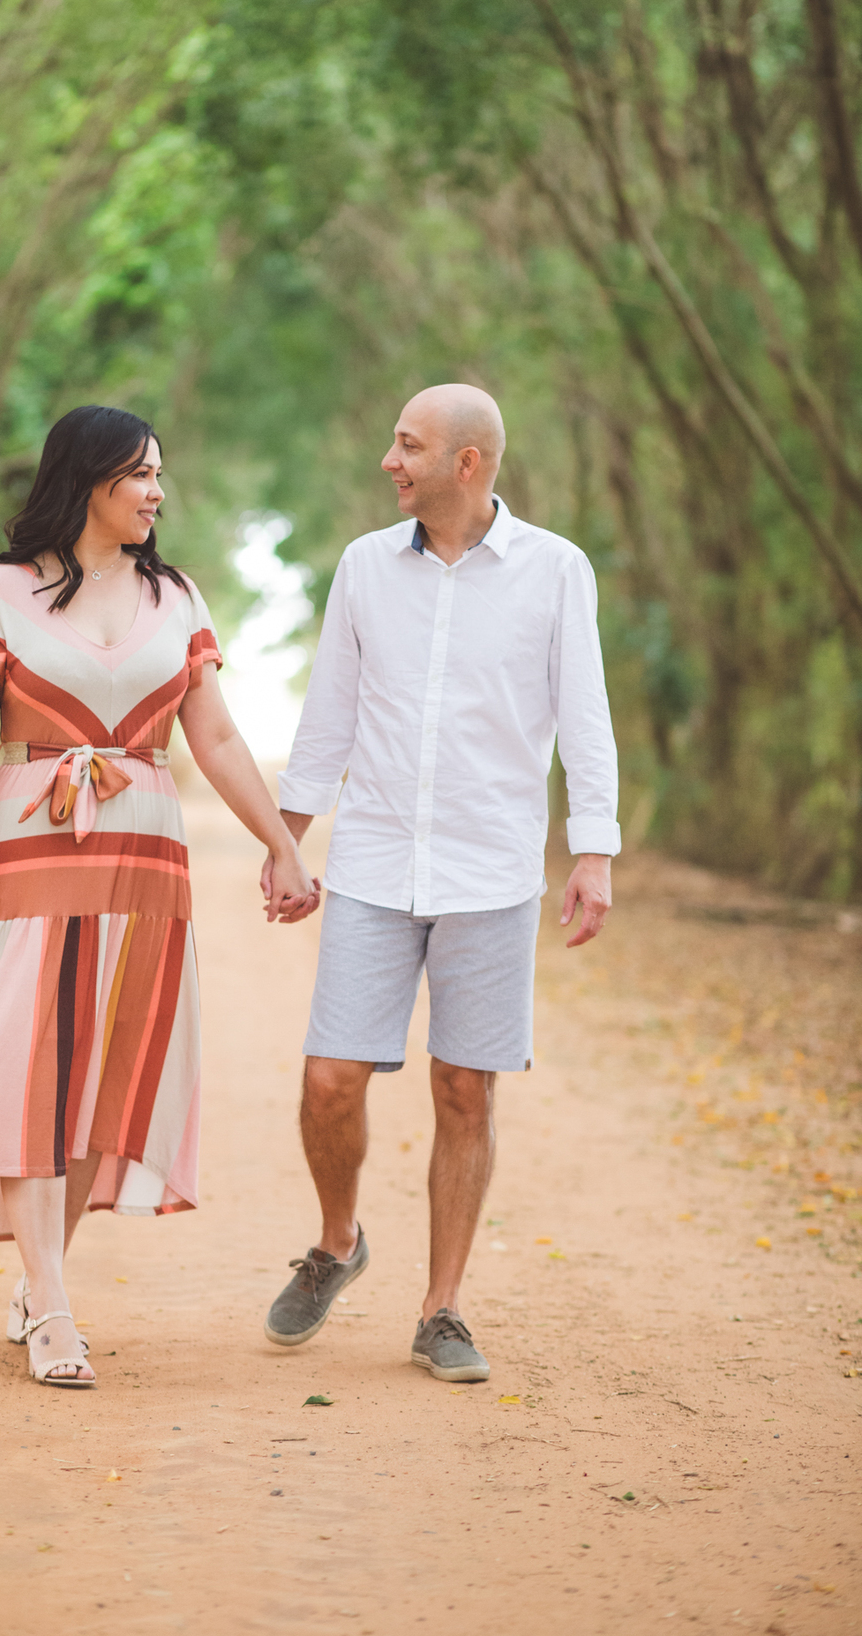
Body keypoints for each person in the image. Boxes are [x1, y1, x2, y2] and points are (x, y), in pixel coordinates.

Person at [0, 405, 319, 1386]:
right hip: (26, 853)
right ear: (87, 479)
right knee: (28, 1071)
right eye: (141, 476)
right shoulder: (0, 594)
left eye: (161, 474)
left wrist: (283, 846)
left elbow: (213, 740)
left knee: (102, 1083)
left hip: (146, 860)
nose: (158, 493)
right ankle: (53, 1311)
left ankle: (45, 1278)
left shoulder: (177, 596)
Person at [263, 383, 619, 1383]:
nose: (390, 460)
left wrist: (593, 852)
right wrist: (287, 840)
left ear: (467, 463)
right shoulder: (366, 568)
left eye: (408, 445)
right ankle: (338, 1242)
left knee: (466, 1088)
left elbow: (583, 719)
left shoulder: (556, 572)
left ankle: (442, 1309)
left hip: (492, 868)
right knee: (331, 1079)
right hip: (375, 861)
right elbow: (327, 714)